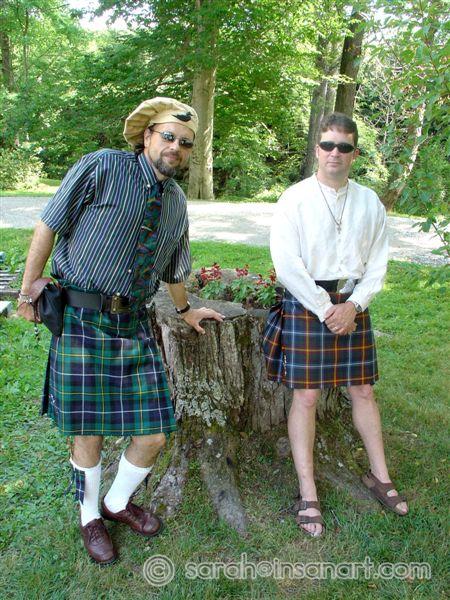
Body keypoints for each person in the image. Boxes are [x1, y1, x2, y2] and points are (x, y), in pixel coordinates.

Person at [17, 97, 223, 564]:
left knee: (154, 433)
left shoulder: (176, 202)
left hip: (133, 324)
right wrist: (29, 291)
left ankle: (115, 502)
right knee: (87, 430)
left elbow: (174, 267)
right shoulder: (103, 166)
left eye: (185, 143)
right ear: (147, 136)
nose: (175, 147)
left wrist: (186, 309)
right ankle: (90, 515)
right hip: (82, 318)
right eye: (168, 136)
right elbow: (49, 225)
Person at [263, 112, 408, 537]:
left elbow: (378, 263)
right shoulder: (294, 199)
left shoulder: (369, 201)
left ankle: (380, 476)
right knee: (307, 396)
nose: (335, 153)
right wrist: (327, 308)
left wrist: (355, 305)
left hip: (354, 303)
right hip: (310, 302)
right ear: (317, 149)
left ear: (355, 153)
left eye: (344, 147)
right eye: (328, 145)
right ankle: (308, 492)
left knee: (363, 390)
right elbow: (286, 263)